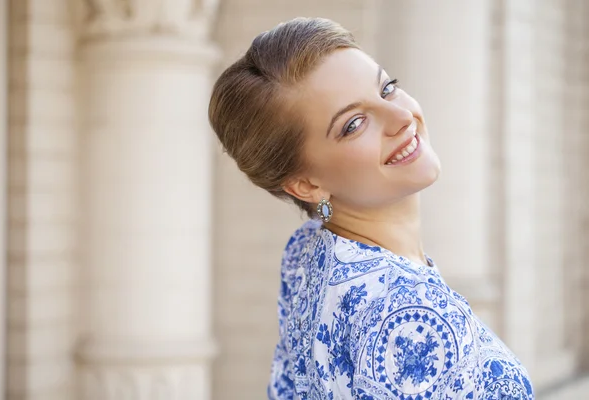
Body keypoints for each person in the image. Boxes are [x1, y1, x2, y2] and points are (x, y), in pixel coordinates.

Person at [208, 17, 534, 400]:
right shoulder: (414, 316)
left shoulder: (306, 253)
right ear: (307, 185)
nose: (402, 118)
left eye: (387, 88)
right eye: (354, 124)